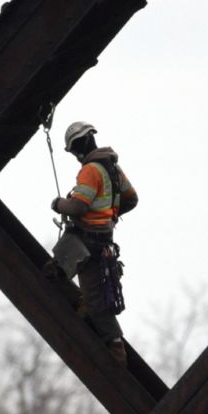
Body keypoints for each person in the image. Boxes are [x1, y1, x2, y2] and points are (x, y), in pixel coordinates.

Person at [49, 121, 138, 363]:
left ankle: (116, 350)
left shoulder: (90, 170)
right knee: (55, 272)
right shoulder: (113, 168)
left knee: (97, 303)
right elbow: (131, 199)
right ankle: (82, 303)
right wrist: (110, 214)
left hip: (86, 244)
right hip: (100, 241)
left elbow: (78, 205)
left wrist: (58, 204)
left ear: (77, 147)